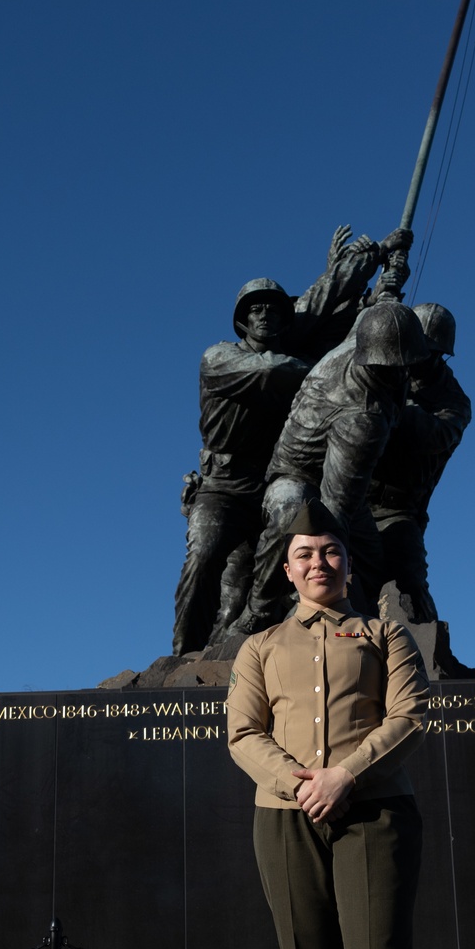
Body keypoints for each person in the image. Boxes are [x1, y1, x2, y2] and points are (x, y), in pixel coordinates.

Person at [226, 498, 439, 949]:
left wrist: (345, 775)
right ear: (288, 570)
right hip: (286, 823)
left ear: (348, 561)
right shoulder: (259, 647)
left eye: (331, 551)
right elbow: (242, 733)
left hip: (374, 815)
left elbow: (410, 715)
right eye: (306, 554)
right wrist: (299, 783)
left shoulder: (385, 635)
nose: (320, 562)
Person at [172, 229, 383, 656]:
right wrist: (326, 369)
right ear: (241, 320)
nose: (264, 314)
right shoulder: (219, 358)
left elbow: (319, 304)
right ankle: (184, 653)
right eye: (255, 309)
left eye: (272, 308)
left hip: (270, 479)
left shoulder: (292, 337)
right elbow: (272, 371)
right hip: (224, 487)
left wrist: (371, 259)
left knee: (302, 544)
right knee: (205, 555)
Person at [230, 296, 428, 633]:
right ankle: (259, 611)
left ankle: (389, 628)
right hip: (296, 474)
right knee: (293, 516)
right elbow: (333, 513)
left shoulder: (360, 335)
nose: (404, 371)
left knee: (374, 559)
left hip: (343, 480)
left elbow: (373, 312)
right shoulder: (364, 417)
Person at [369, 302, 471, 622]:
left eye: (422, 350)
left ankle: (424, 655)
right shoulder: (386, 367)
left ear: (439, 354)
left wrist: (393, 405)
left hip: (398, 508)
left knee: (409, 581)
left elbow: (435, 436)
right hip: (353, 493)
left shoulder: (453, 401)